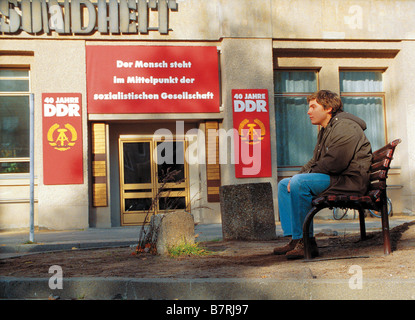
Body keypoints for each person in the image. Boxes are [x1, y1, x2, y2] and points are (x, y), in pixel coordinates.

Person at [274, 90, 372, 259]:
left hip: (350, 181)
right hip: (337, 178)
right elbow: (314, 161)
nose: (308, 111)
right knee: (284, 184)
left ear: (328, 108)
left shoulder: (346, 127)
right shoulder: (326, 130)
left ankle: (307, 243)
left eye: (313, 107)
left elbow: (335, 162)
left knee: (299, 183)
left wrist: (299, 178)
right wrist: (298, 175)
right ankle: (296, 238)